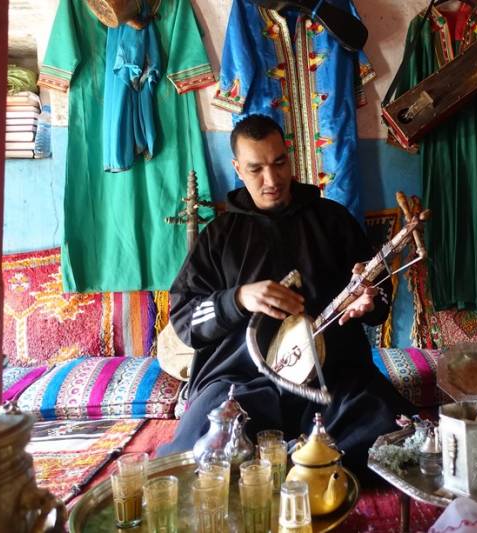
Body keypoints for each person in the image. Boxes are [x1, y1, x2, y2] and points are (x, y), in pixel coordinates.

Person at [157, 114, 414, 474]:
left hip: (332, 380)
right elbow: (185, 320)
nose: (272, 179)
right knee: (197, 454)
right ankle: (298, 462)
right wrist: (238, 299)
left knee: (398, 441)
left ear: (289, 156)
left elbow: (379, 296)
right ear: (237, 168)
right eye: (256, 169)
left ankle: (289, 464)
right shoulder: (219, 236)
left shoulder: (333, 220)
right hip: (241, 384)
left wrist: (368, 299)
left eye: (279, 163)